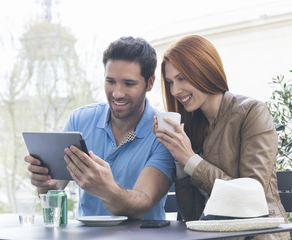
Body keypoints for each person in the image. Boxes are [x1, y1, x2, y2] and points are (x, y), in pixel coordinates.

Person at [153, 35, 289, 239]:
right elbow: (192, 215)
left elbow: (251, 197)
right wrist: (180, 160)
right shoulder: (192, 127)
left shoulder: (252, 112)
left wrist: (191, 160)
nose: (175, 91)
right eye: (170, 82)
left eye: (182, 78)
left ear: (204, 70)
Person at [25, 36, 175, 220]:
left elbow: (143, 203)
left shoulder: (164, 133)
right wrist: (45, 182)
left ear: (150, 83)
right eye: (110, 81)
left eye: (129, 83)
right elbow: (54, 188)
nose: (117, 93)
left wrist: (107, 189)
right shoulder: (80, 120)